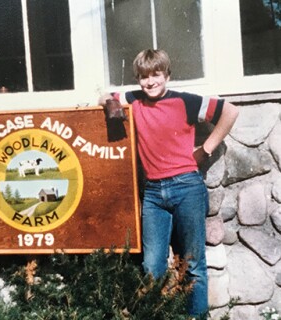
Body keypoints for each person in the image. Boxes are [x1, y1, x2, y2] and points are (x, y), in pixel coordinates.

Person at [100, 49, 239, 317]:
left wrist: (206, 148)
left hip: (187, 187)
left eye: (156, 75)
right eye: (143, 77)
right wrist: (110, 104)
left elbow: (230, 111)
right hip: (153, 194)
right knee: (152, 267)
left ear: (167, 75)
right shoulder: (134, 101)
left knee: (193, 265)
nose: (150, 82)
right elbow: (104, 95)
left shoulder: (185, 101)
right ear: (138, 79)